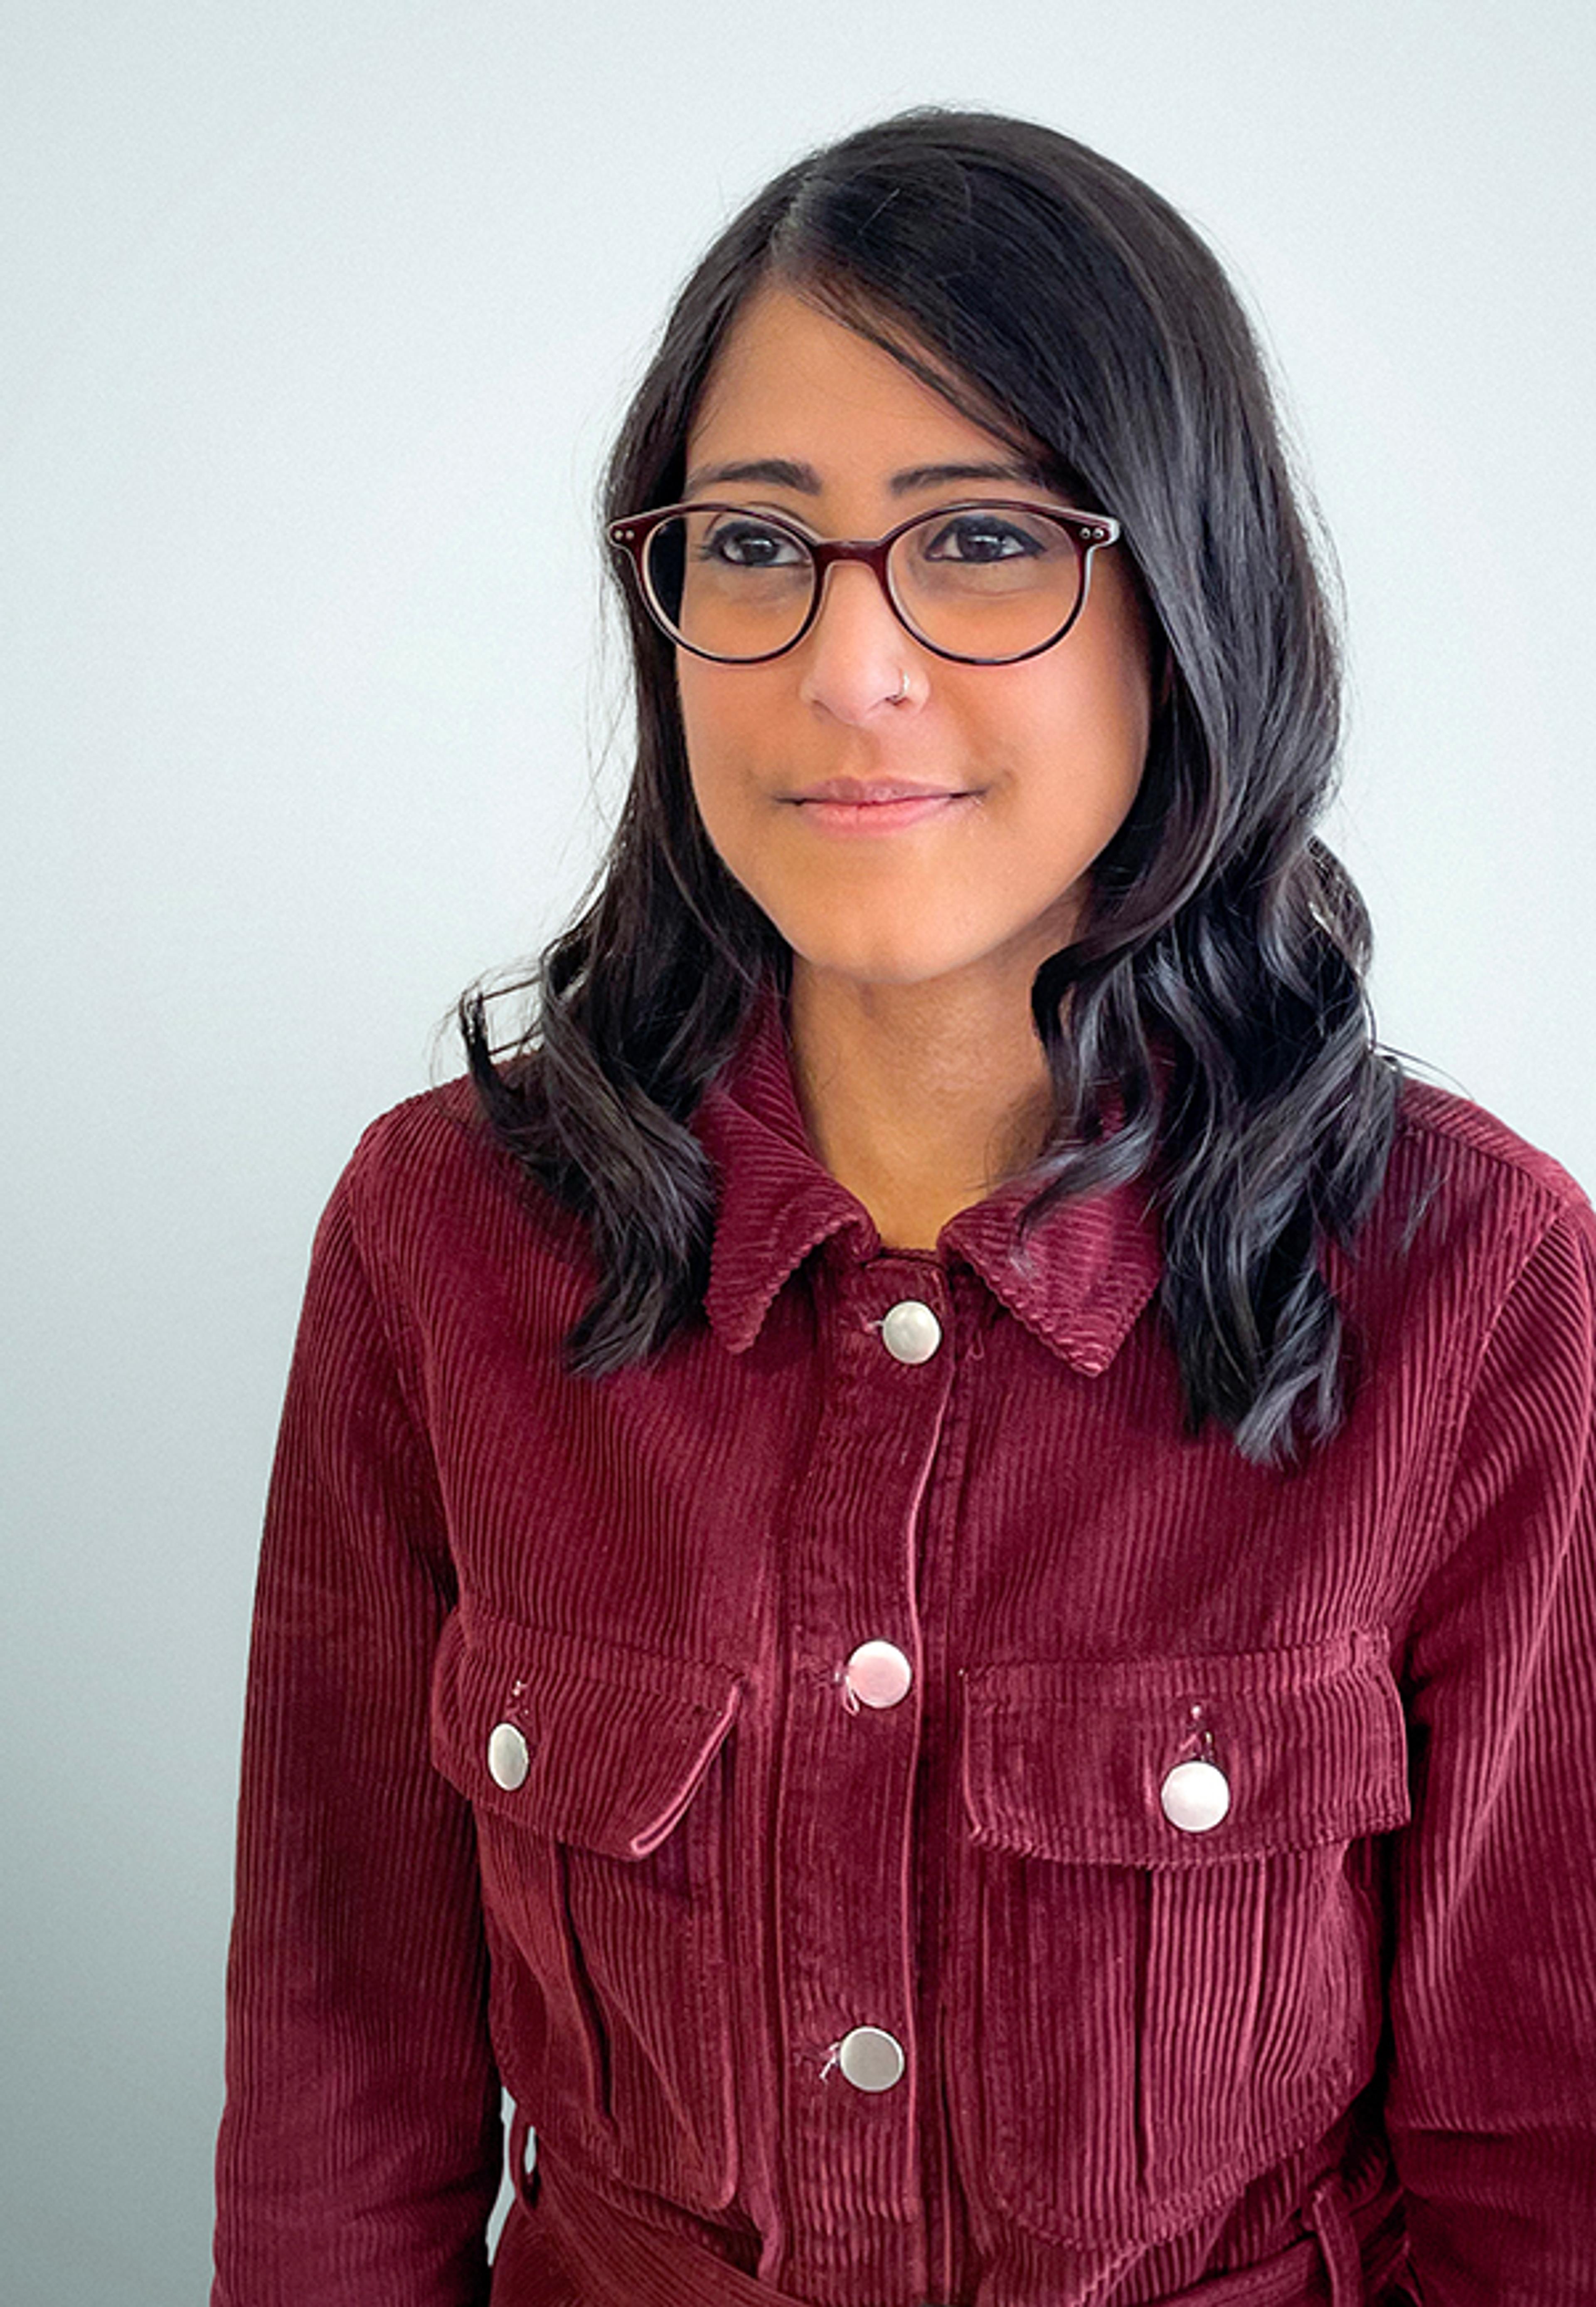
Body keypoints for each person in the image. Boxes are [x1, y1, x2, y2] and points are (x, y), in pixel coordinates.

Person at [212, 108, 1596, 2307]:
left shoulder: (1479, 1285)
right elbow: (339, 2105)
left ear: (1186, 602)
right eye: (753, 547)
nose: (849, 668)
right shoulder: (438, 1240)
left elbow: (1544, 2167)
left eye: (980, 540)